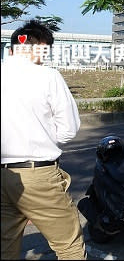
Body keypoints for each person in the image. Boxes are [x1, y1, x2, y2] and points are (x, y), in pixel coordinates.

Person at [1, 20, 86, 260]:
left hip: (2, 176)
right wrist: (44, 138)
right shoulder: (48, 76)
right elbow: (68, 129)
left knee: (5, 247)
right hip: (37, 175)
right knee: (69, 246)